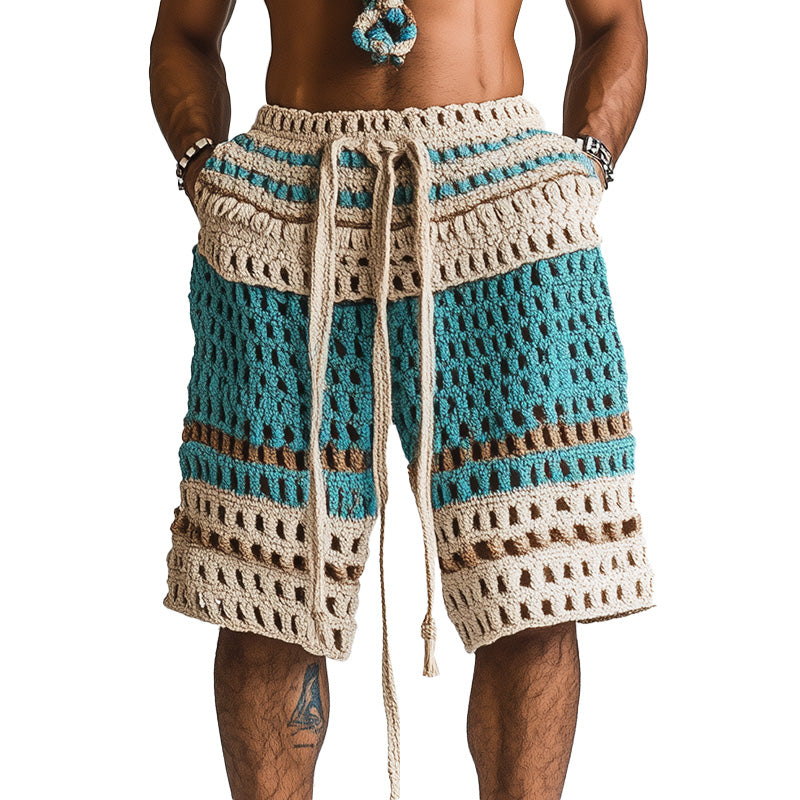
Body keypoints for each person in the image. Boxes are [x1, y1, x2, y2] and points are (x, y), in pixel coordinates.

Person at [149, 1, 654, 798]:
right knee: (268, 583)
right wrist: (204, 169)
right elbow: (184, 32)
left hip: (504, 203)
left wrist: (582, 167)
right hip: (288, 205)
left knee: (530, 578)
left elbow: (613, 19)